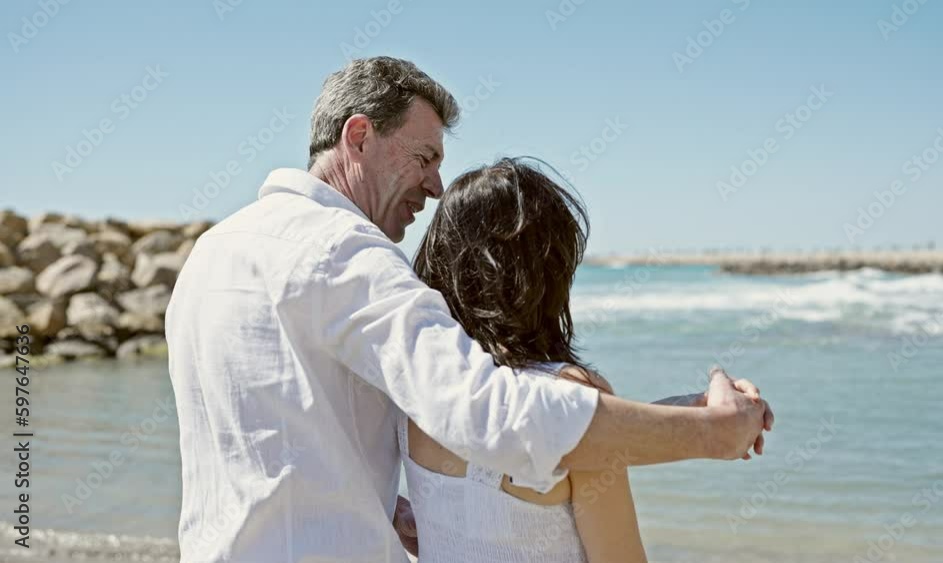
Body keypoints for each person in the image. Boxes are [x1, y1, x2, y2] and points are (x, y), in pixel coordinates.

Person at [165, 56, 772, 562]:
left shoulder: (216, 251)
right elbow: (492, 414)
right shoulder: (346, 254)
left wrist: (381, 507)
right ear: (358, 136)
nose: (434, 188)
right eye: (424, 158)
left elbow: (262, 437)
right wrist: (715, 433)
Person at [403, 158, 762, 562]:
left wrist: (689, 406)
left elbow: (531, 431)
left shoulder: (419, 389)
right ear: (546, 273)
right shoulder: (568, 392)